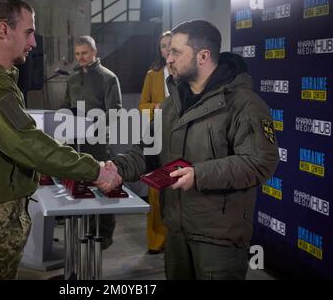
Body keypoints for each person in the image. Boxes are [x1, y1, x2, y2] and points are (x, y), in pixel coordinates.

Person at [0, 0, 120, 280]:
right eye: (29, 32)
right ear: (4, 30)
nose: (34, 43)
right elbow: (30, 144)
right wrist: (95, 170)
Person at [105, 20, 279, 279]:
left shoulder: (244, 104)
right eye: (168, 51)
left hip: (218, 239)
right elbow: (148, 151)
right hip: (176, 231)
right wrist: (117, 168)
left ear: (203, 56)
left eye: (176, 52)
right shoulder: (171, 105)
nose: (169, 59)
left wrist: (198, 174)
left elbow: (260, 162)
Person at [61, 36, 122, 250]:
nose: (81, 58)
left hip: (99, 143)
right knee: (81, 188)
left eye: (84, 53)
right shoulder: (72, 79)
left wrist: (95, 127)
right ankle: (84, 232)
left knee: (104, 188)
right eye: (77, 54)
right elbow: (66, 107)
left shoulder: (108, 78)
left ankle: (104, 236)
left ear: (94, 52)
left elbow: (115, 111)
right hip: (76, 144)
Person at [138, 31, 172, 255]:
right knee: (156, 189)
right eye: (163, 46)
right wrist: (157, 108)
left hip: (183, 137)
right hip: (157, 134)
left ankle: (177, 241)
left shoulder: (188, 72)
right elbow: (142, 105)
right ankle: (156, 240)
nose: (167, 49)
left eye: (171, 45)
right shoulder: (153, 74)